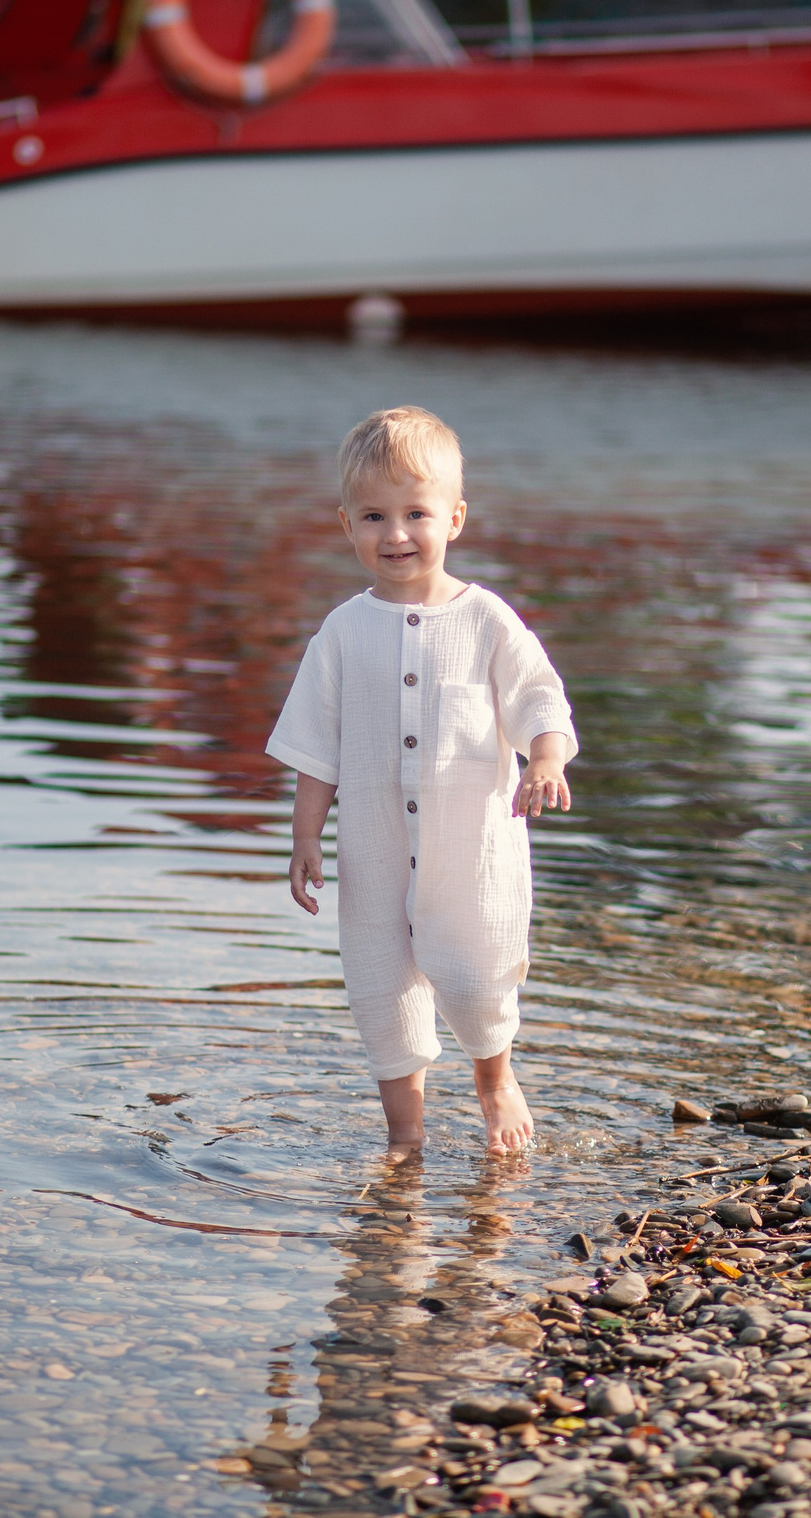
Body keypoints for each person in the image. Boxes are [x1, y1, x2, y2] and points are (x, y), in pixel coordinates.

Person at [268, 407, 578, 1159]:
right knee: (383, 993)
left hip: (469, 853)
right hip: (375, 855)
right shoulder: (343, 632)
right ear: (347, 524)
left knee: (475, 977)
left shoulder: (486, 620)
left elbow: (540, 697)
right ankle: (404, 1139)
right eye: (374, 516)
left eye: (416, 514)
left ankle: (493, 1078)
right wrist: (305, 837)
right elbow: (316, 746)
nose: (396, 534)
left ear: (455, 518)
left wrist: (546, 758)